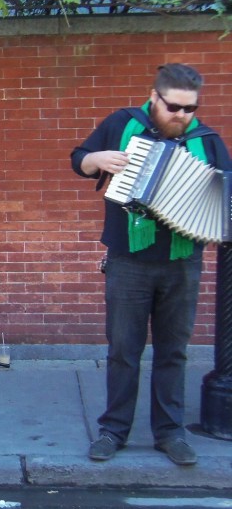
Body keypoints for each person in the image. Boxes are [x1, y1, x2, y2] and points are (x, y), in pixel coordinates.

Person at [71, 63, 231, 466]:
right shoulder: (124, 123)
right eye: (174, 107)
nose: (181, 116)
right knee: (123, 350)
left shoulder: (206, 140)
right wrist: (97, 160)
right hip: (128, 261)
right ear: (155, 97)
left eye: (189, 109)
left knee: (173, 352)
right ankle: (114, 430)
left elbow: (226, 193)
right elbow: (79, 160)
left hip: (183, 262)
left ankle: (170, 433)